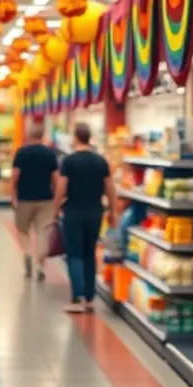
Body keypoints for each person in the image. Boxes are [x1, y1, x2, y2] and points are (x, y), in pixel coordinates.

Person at [52, 122, 118, 314]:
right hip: (95, 212)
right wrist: (113, 212)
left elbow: (61, 188)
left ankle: (77, 298)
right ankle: (89, 298)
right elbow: (110, 189)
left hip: (74, 212)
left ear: (75, 137)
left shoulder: (69, 161)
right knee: (89, 253)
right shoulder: (101, 161)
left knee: (74, 254)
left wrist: (54, 210)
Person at [11, 122, 58, 280]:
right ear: (43, 135)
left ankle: (28, 254)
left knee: (23, 231)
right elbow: (56, 179)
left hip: (24, 199)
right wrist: (57, 199)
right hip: (45, 199)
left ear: (29, 135)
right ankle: (40, 265)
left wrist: (13, 196)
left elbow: (15, 176)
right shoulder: (50, 154)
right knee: (43, 231)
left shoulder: (21, 153)